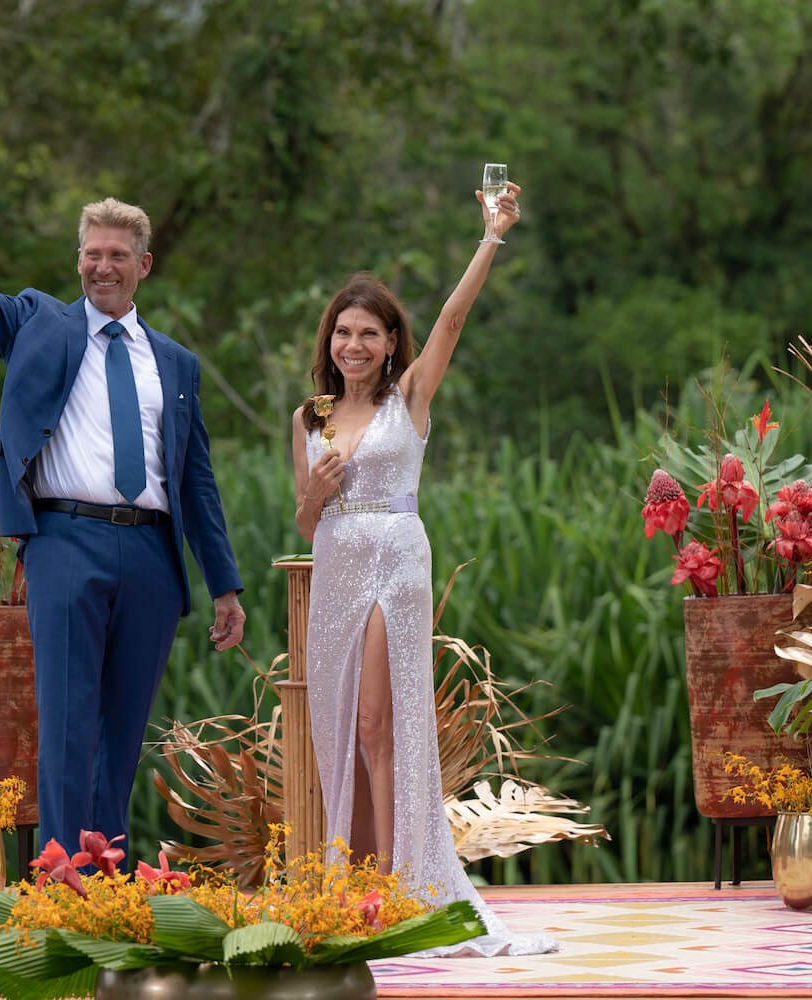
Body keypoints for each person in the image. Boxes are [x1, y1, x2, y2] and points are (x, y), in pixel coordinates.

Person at [0, 155, 246, 859]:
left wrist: (225, 585)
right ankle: (61, 883)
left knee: (121, 735)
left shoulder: (174, 364)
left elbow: (197, 481)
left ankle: (107, 884)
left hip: (152, 554)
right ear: (78, 261)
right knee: (65, 726)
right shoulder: (39, 324)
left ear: (144, 265)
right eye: (92, 254)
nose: (103, 267)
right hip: (64, 540)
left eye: (118, 255)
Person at [291, 182, 554, 956]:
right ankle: (359, 881)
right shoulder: (308, 417)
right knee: (342, 730)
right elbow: (305, 525)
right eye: (344, 332)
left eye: (370, 332)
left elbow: (454, 319)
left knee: (380, 724)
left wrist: (492, 236)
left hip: (395, 562)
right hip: (336, 566)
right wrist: (317, 490)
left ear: (390, 341)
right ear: (330, 341)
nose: (356, 346)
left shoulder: (410, 398)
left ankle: (405, 888)